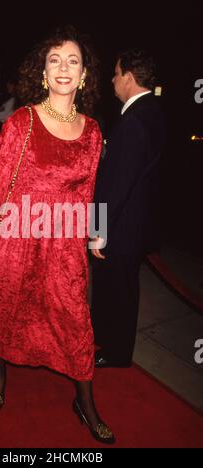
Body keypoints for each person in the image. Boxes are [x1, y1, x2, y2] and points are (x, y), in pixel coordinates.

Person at [0, 26, 115, 444]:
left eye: (73, 61)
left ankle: (84, 402)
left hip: (63, 244)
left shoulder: (94, 130)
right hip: (19, 235)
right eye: (55, 60)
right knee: (6, 311)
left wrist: (95, 235)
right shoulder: (21, 121)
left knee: (77, 321)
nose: (63, 68)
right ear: (43, 72)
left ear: (84, 74)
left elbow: (88, 191)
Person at [91, 49, 166, 368]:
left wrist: (98, 230)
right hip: (135, 223)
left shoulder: (134, 120)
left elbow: (117, 184)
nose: (112, 79)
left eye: (116, 73)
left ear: (129, 78)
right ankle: (107, 338)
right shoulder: (155, 110)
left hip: (121, 226)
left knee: (118, 290)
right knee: (121, 288)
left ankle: (116, 352)